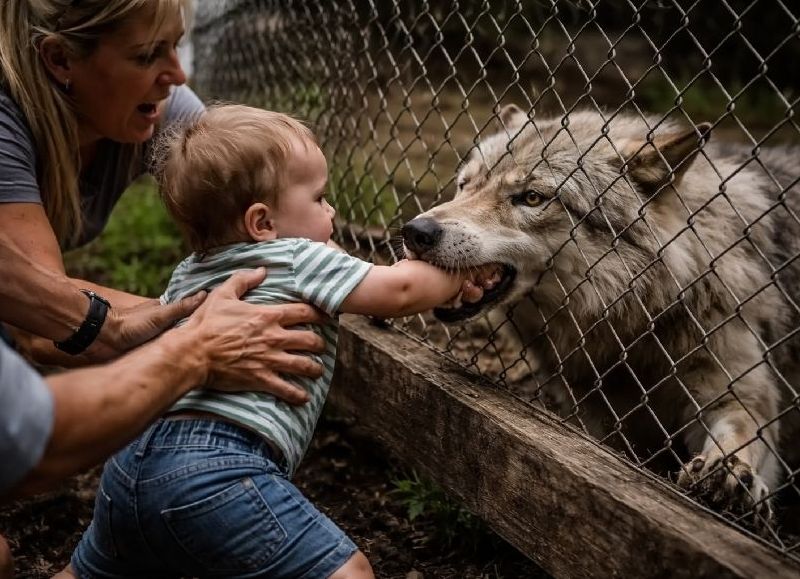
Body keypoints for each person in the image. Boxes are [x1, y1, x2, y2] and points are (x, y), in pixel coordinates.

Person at [64, 105, 495, 578]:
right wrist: (460, 273)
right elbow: (400, 290)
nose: (331, 211)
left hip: (131, 459)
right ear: (262, 223)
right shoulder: (297, 257)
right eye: (320, 198)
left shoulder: (188, 274)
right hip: (215, 468)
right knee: (347, 572)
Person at [0, 0, 326, 392]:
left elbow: (268, 203)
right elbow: (37, 321)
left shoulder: (156, 108)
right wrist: (202, 332)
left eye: (175, 45)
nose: (177, 74)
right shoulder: (7, 122)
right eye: (146, 56)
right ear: (60, 59)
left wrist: (338, 271)